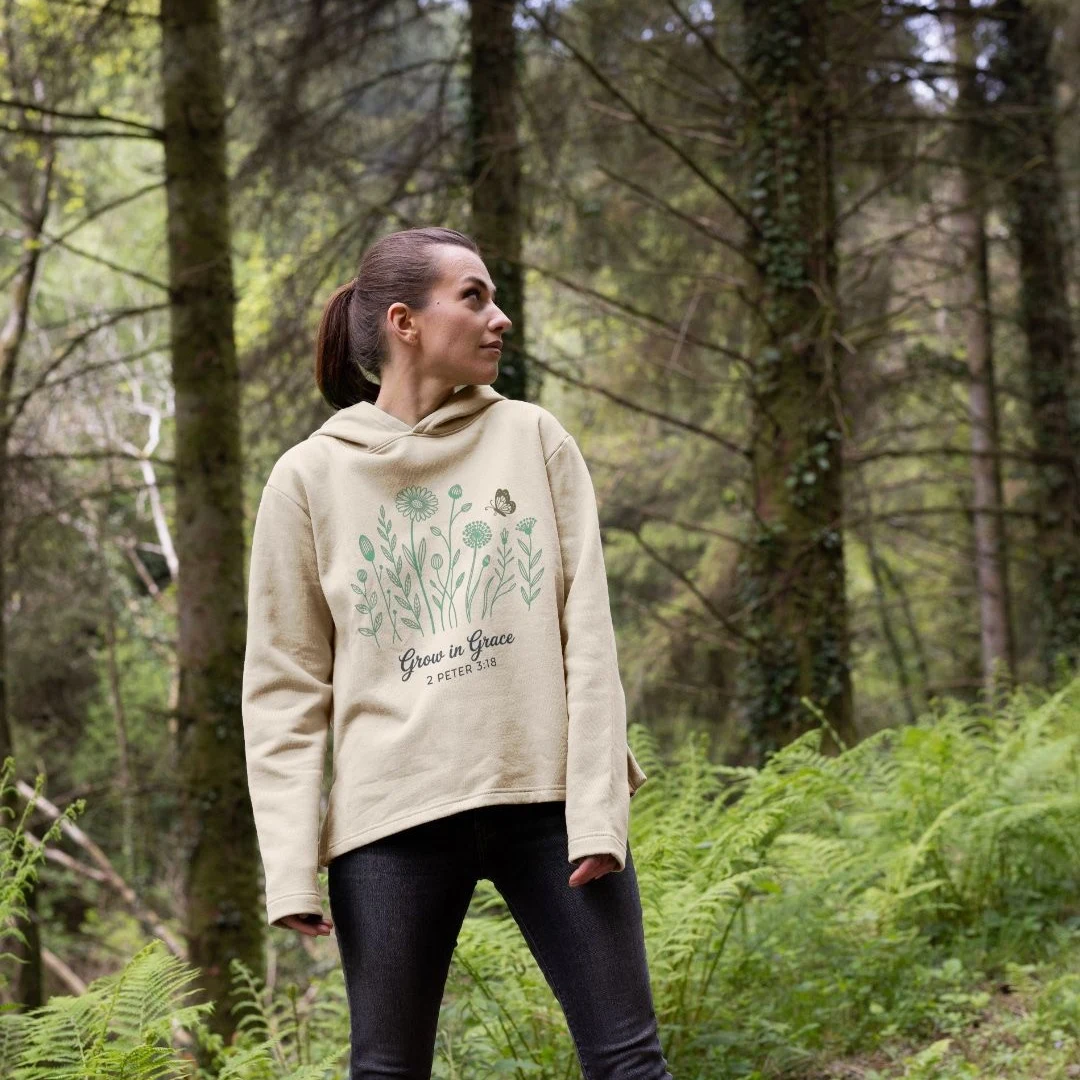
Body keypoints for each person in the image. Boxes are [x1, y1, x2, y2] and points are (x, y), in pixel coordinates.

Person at [241, 226, 672, 1079]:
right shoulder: (307, 479)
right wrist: (289, 866)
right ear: (404, 322)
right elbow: (285, 686)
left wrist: (597, 810)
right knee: (386, 1073)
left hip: (545, 803)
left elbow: (589, 637)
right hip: (390, 820)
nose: (499, 318)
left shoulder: (534, 438)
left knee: (630, 1065)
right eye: (473, 297)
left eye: (495, 298)